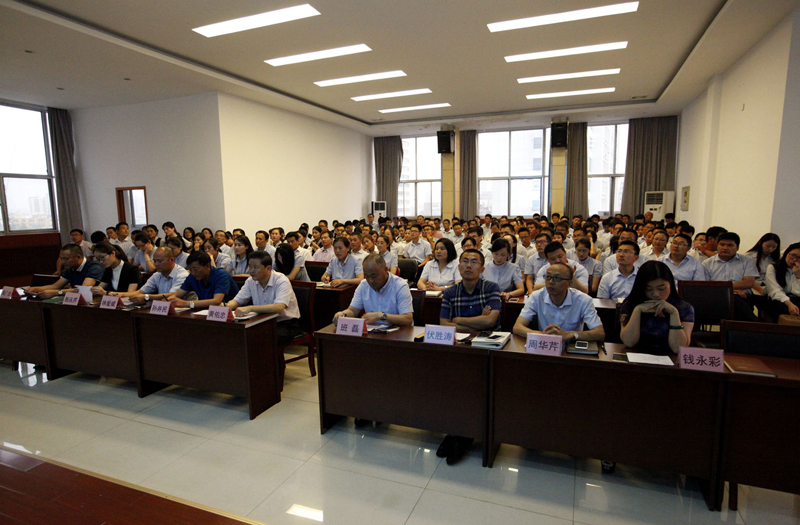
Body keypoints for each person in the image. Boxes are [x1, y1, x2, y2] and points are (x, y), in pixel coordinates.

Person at [436, 248, 502, 465]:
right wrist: (477, 320)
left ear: (482, 269)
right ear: (459, 266)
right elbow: (443, 324)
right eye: (465, 261)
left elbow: (490, 321)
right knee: (451, 387)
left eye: (474, 262)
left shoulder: (491, 288)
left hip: (487, 350)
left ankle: (464, 435)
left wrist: (458, 320)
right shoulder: (450, 292)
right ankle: (455, 432)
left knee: (476, 389)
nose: (468, 265)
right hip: (459, 350)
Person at [226, 250, 302, 385]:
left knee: (262, 339)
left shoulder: (281, 280)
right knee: (239, 336)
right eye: (250, 266)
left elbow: (279, 307)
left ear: (268, 268)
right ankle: (246, 375)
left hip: (285, 323)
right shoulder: (251, 281)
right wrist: (226, 307)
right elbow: (237, 300)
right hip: (261, 322)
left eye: (255, 267)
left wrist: (250, 308)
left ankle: (270, 378)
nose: (251, 271)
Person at [513, 262, 605, 343]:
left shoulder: (583, 300)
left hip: (570, 347)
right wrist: (541, 334)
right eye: (548, 277)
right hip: (545, 345)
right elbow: (517, 327)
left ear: (569, 283)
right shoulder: (536, 296)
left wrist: (571, 334)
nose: (550, 282)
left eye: (557, 278)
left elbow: (599, 333)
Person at [619, 260, 695, 355]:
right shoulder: (630, 304)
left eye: (661, 288)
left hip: (670, 359)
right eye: (649, 289)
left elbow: (678, 348)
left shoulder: (684, 308)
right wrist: (637, 310)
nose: (656, 294)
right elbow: (629, 342)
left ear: (670, 284)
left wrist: (674, 313)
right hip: (637, 356)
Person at [703, 232, 759, 321]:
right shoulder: (707, 263)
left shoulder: (747, 261)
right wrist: (730, 290)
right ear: (717, 246)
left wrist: (729, 289)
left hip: (744, 296)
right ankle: (754, 324)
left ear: (737, 247)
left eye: (730, 245)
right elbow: (707, 286)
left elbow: (749, 282)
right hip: (717, 297)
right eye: (722, 244)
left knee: (737, 300)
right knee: (734, 300)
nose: (725, 248)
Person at [115, 246, 188, 303]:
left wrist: (147, 297)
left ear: (171, 259)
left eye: (159, 261)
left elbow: (172, 295)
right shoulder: (157, 275)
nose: (156, 264)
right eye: (154, 261)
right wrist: (120, 295)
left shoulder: (182, 275)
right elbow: (140, 292)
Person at [29, 244, 105, 299]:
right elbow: (56, 286)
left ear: (78, 257)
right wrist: (36, 289)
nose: (63, 262)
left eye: (66, 259)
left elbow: (84, 289)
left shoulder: (94, 267)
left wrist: (57, 293)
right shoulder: (70, 268)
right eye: (61, 259)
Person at [170, 251, 239, 308]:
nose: (193, 273)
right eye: (190, 269)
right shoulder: (192, 276)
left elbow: (217, 301)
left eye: (195, 269)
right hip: (205, 312)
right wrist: (168, 301)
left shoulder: (221, 274)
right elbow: (177, 295)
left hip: (230, 313)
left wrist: (187, 303)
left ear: (207, 265)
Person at [764, 242, 800, 318]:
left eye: (799, 258)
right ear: (786, 253)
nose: (795, 259)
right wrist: (789, 304)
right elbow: (774, 291)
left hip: (796, 300)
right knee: (780, 307)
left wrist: (798, 276)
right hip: (778, 300)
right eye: (793, 255)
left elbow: (797, 293)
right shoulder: (773, 267)